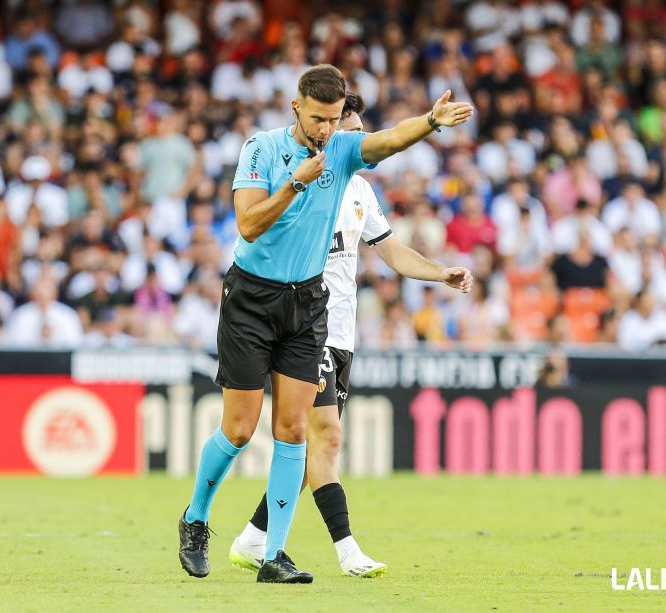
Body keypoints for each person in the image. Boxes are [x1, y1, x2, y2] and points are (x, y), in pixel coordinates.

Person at [178, 64, 473, 584]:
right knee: (241, 429)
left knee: (294, 430)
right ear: (296, 107)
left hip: (308, 304)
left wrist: (429, 121)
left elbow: (386, 142)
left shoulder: (342, 151)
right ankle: (196, 518)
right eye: (318, 119)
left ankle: (273, 555)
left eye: (334, 120)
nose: (326, 130)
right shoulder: (261, 149)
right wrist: (296, 182)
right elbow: (248, 224)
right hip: (251, 298)